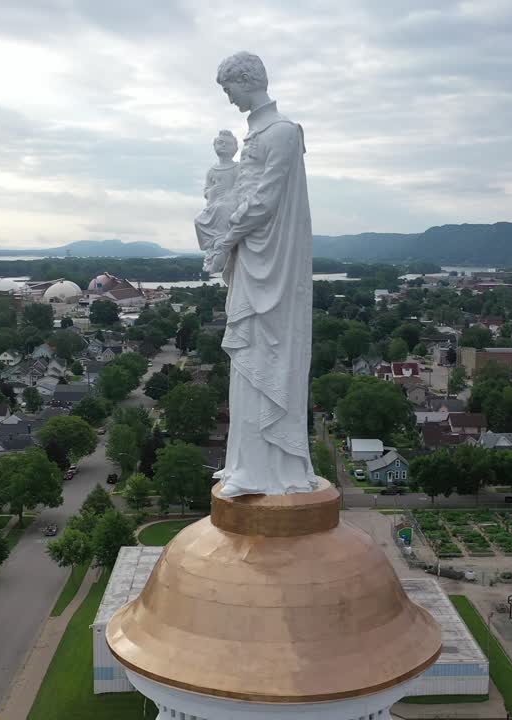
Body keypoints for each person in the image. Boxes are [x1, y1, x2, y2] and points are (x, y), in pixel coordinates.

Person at [201, 52, 319, 497]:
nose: (228, 97)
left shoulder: (283, 132)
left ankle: (269, 469)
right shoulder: (255, 134)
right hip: (252, 261)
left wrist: (224, 243)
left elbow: (264, 201)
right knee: (247, 363)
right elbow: (241, 195)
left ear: (246, 80)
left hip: (274, 270)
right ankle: (243, 464)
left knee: (267, 361)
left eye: (228, 87)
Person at [195, 130, 240, 275]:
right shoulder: (212, 170)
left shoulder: (237, 168)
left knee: (221, 208)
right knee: (198, 220)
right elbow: (206, 191)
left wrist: (228, 195)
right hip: (215, 203)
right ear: (214, 146)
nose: (223, 146)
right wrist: (213, 192)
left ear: (235, 147)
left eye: (227, 143)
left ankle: (221, 239)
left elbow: (242, 186)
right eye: (220, 143)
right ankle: (212, 245)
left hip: (231, 203)